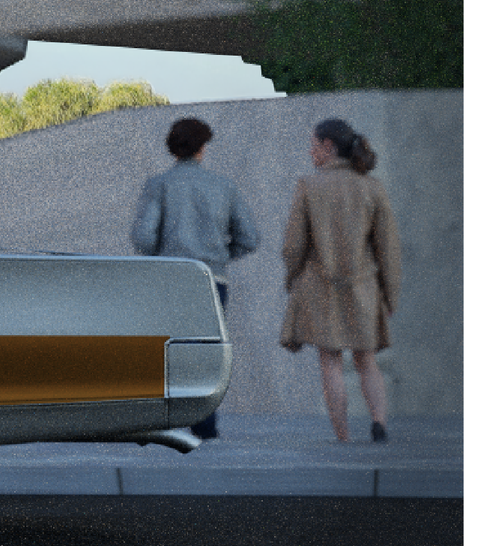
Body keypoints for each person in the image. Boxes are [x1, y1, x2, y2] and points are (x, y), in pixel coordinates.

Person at [129, 116, 259, 440]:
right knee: (207, 352)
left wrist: (160, 257)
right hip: (212, 279)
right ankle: (205, 424)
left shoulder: (159, 185)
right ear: (203, 147)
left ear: (173, 148)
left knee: (170, 350)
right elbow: (250, 237)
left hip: (171, 278)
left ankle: (167, 421)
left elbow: (143, 237)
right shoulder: (224, 186)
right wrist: (220, 257)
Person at [278, 118, 402, 444]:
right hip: (363, 286)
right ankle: (378, 423)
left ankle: (343, 436)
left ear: (328, 146)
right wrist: (390, 294)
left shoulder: (308, 185)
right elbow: (388, 247)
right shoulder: (372, 187)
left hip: (320, 287)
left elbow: (293, 245)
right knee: (367, 360)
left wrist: (292, 278)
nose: (310, 151)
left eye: (314, 144)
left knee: (330, 361)